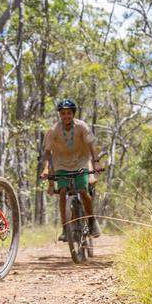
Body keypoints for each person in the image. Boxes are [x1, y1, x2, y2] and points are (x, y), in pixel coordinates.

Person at [40, 99, 102, 240]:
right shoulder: (54, 130)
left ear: (73, 113)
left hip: (80, 162)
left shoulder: (81, 126)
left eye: (69, 113)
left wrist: (96, 162)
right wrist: (46, 168)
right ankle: (65, 227)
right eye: (63, 113)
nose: (66, 116)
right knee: (62, 192)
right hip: (61, 164)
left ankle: (91, 221)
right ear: (59, 115)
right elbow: (48, 151)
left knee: (83, 191)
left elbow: (92, 145)